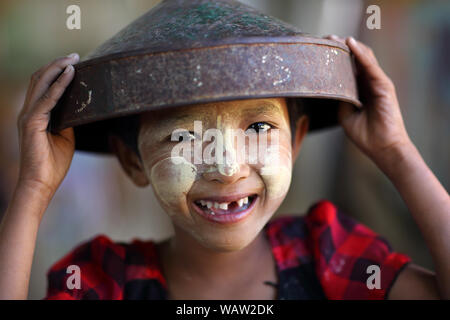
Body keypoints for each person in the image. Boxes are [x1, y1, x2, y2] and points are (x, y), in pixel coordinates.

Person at [0, 35, 448, 300]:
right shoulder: (105, 281)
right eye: (182, 137)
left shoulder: (325, 251)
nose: (227, 168)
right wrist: (34, 188)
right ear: (132, 161)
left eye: (257, 126)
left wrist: (396, 153)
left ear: (294, 142)